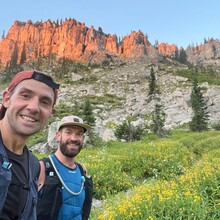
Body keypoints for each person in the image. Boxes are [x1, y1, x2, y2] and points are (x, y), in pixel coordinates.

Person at [0, 70, 60, 220]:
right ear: (7, 99)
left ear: (51, 113)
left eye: (44, 102)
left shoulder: (33, 166)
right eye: (25, 95)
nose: (33, 107)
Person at [37, 115, 93, 220]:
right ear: (58, 136)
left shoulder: (82, 171)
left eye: (79, 134)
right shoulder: (42, 168)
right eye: (68, 132)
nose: (74, 138)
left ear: (83, 139)